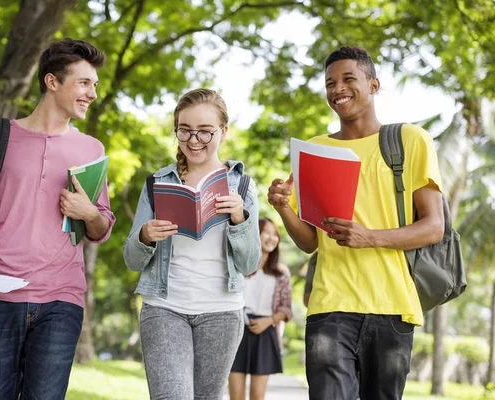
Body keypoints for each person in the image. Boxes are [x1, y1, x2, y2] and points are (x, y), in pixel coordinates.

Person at [0, 38, 116, 399]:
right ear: (52, 82)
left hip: (62, 299)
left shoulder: (91, 149)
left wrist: (90, 213)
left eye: (94, 85)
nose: (92, 93)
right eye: (84, 83)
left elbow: (102, 227)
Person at [267, 46, 444, 400]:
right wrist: (283, 208)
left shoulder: (409, 141)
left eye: (348, 79)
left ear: (373, 84)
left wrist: (370, 237)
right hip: (331, 304)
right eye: (330, 83)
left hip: (391, 305)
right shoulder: (314, 150)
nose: (337, 89)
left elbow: (433, 227)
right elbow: (310, 241)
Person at [123, 88, 262, 399]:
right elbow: (132, 260)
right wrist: (145, 235)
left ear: (223, 132)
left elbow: (251, 264)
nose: (193, 140)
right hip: (164, 308)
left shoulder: (241, 185)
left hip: (223, 312)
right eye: (184, 131)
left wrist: (240, 219)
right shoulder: (157, 184)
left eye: (204, 131)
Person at [228, 217, 293, 400]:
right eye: (267, 233)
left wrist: (269, 321)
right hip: (237, 332)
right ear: (256, 234)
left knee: (257, 396)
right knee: (236, 396)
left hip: (265, 334)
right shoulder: (239, 266)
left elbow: (286, 309)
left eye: (276, 235)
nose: (272, 238)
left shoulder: (281, 273)